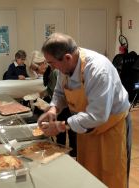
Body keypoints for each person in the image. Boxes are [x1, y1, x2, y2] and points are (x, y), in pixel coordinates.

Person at [38, 33, 132, 188]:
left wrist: (62, 125)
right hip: (86, 126)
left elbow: (98, 115)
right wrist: (53, 109)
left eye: (52, 63)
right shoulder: (64, 69)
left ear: (67, 57)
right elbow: (60, 93)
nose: (51, 68)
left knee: (112, 176)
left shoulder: (98, 70)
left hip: (112, 127)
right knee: (88, 173)